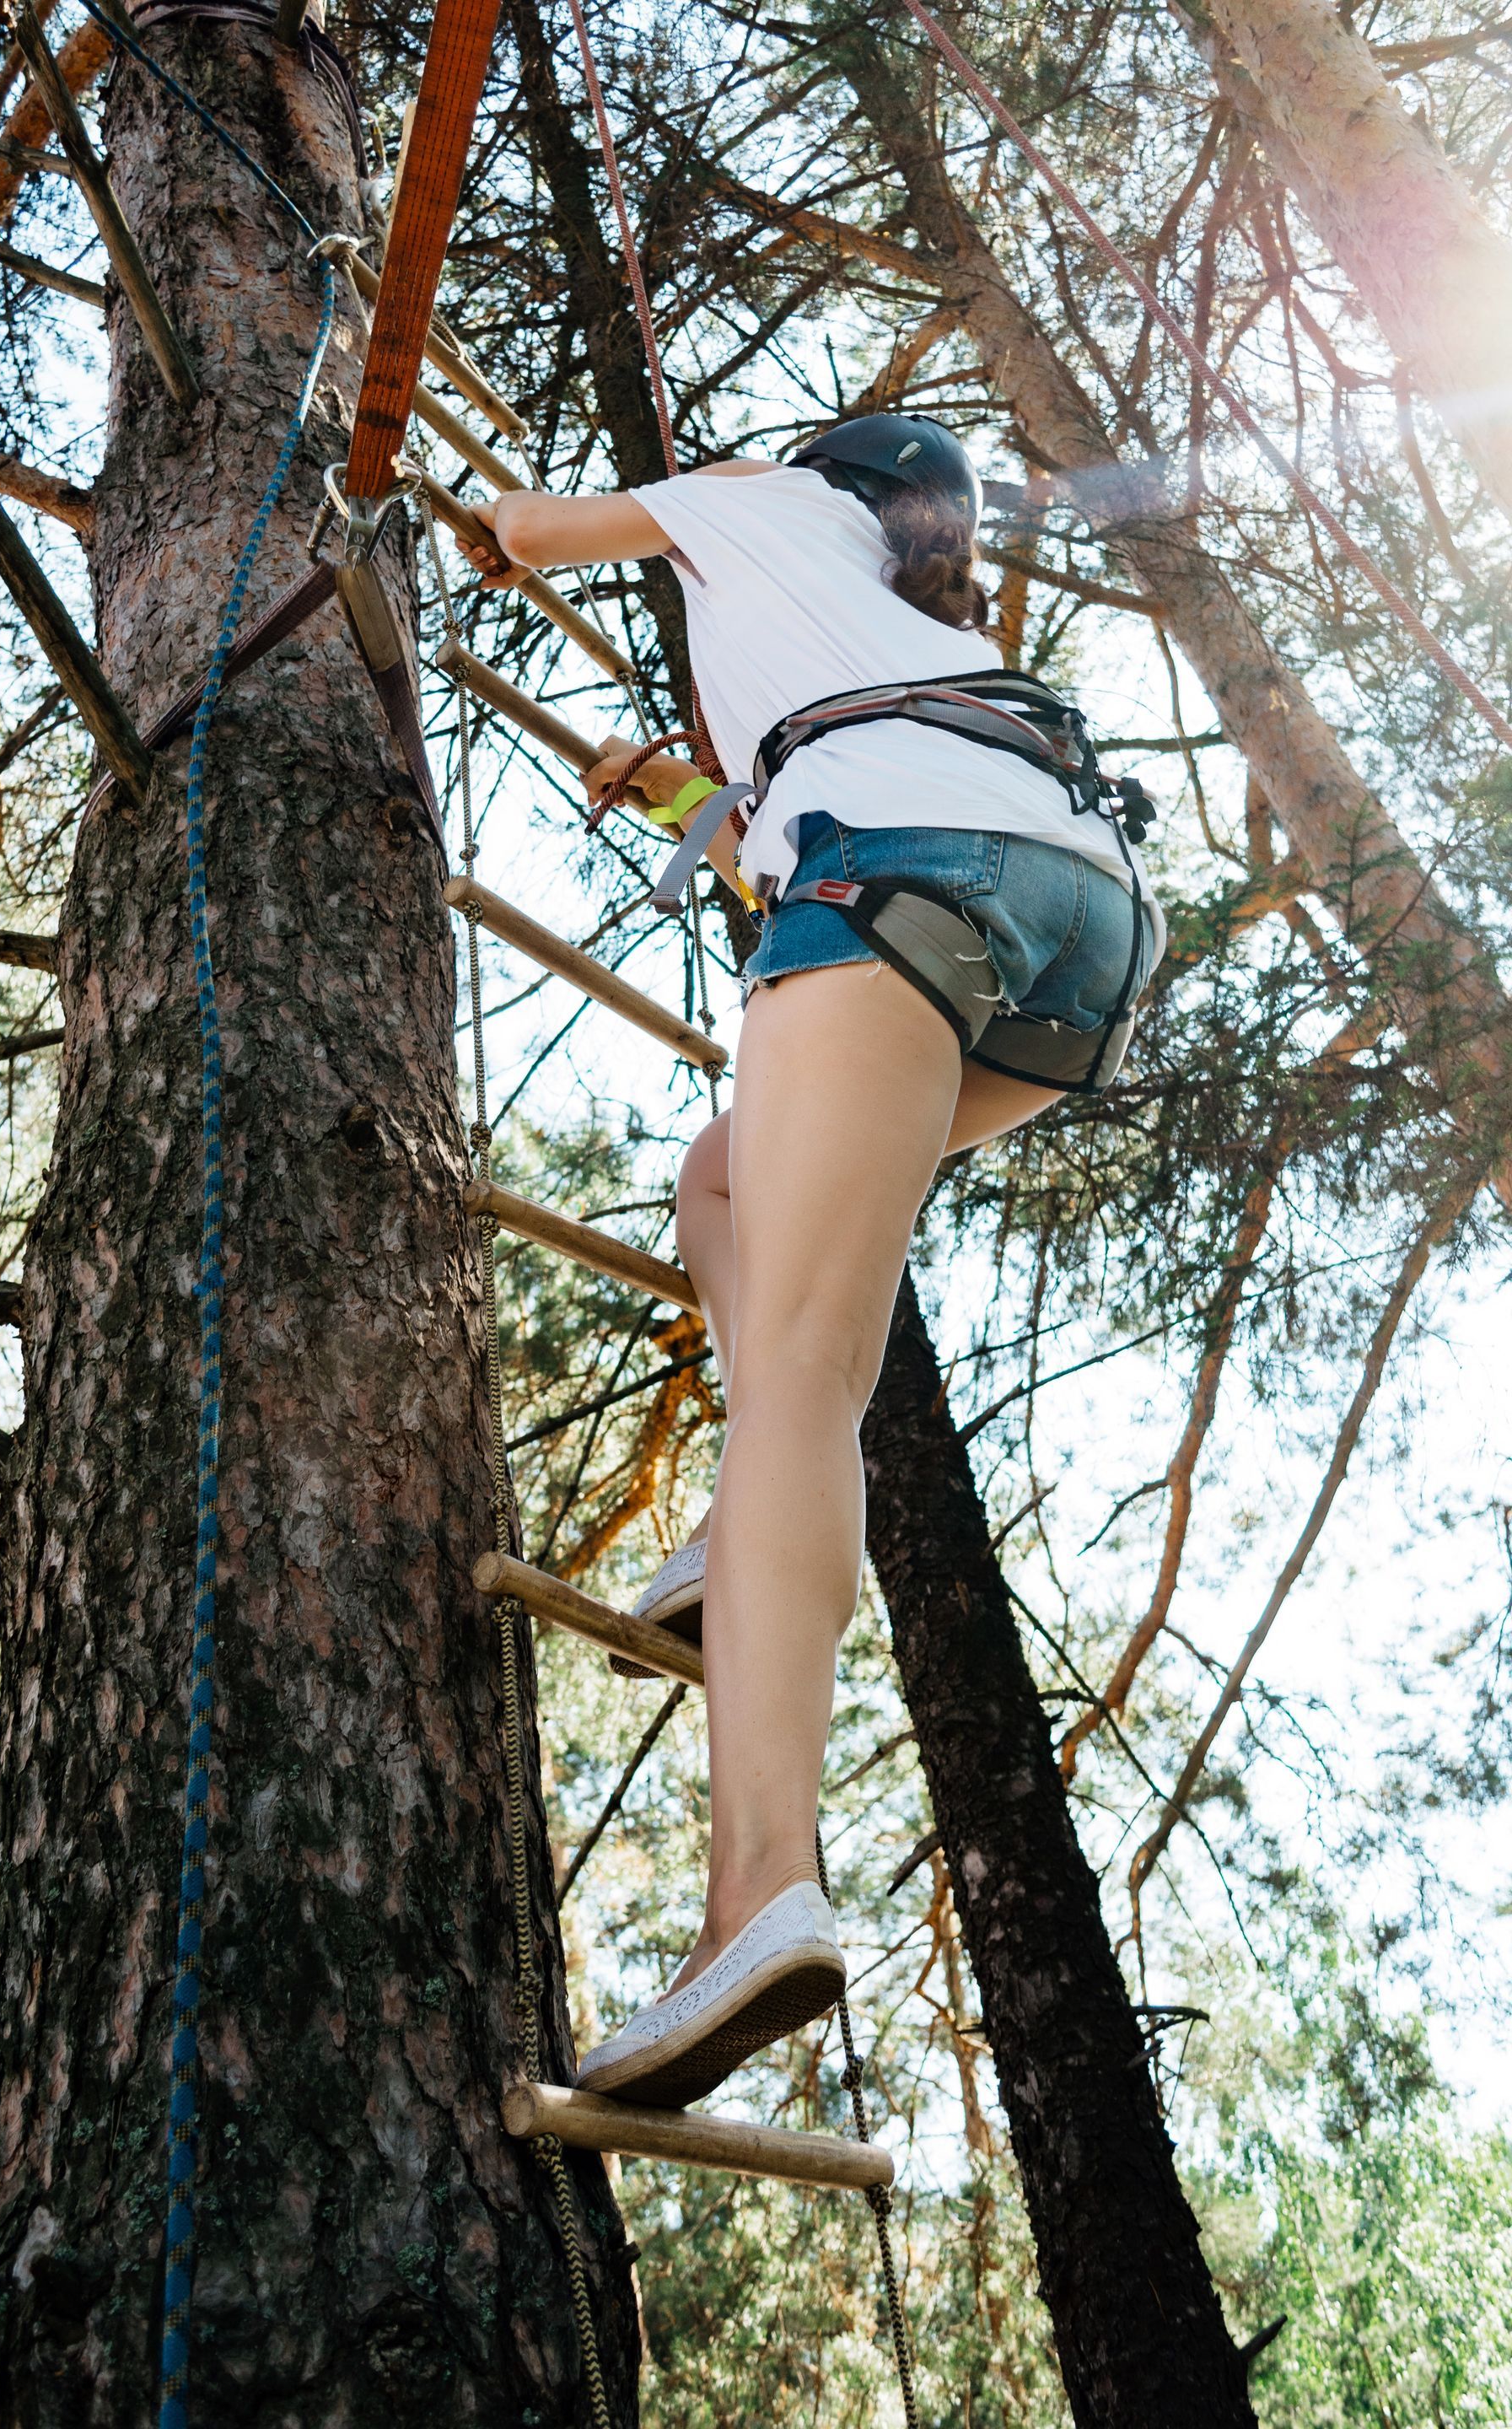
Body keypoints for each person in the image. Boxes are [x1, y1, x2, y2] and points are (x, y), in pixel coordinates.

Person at [456, 417, 1162, 2110]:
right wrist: (692, 798)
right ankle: (744, 1530)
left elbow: (515, 531)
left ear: (824, 472)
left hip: (904, 883)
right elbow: (833, 818)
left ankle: (762, 1884)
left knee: (801, 1373)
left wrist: (458, 492)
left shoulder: (768, 504)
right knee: (728, 1185)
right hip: (1080, 938)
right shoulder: (905, 625)